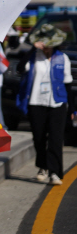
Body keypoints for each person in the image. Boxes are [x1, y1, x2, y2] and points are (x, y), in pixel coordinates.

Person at [17, 24, 74, 186]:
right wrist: (30, 49)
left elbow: (68, 84)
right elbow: (20, 68)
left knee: (56, 138)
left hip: (58, 103)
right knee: (39, 138)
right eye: (44, 44)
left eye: (49, 45)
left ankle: (55, 172)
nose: (47, 48)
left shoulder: (62, 58)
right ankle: (43, 166)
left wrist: (73, 108)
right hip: (36, 102)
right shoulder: (34, 57)